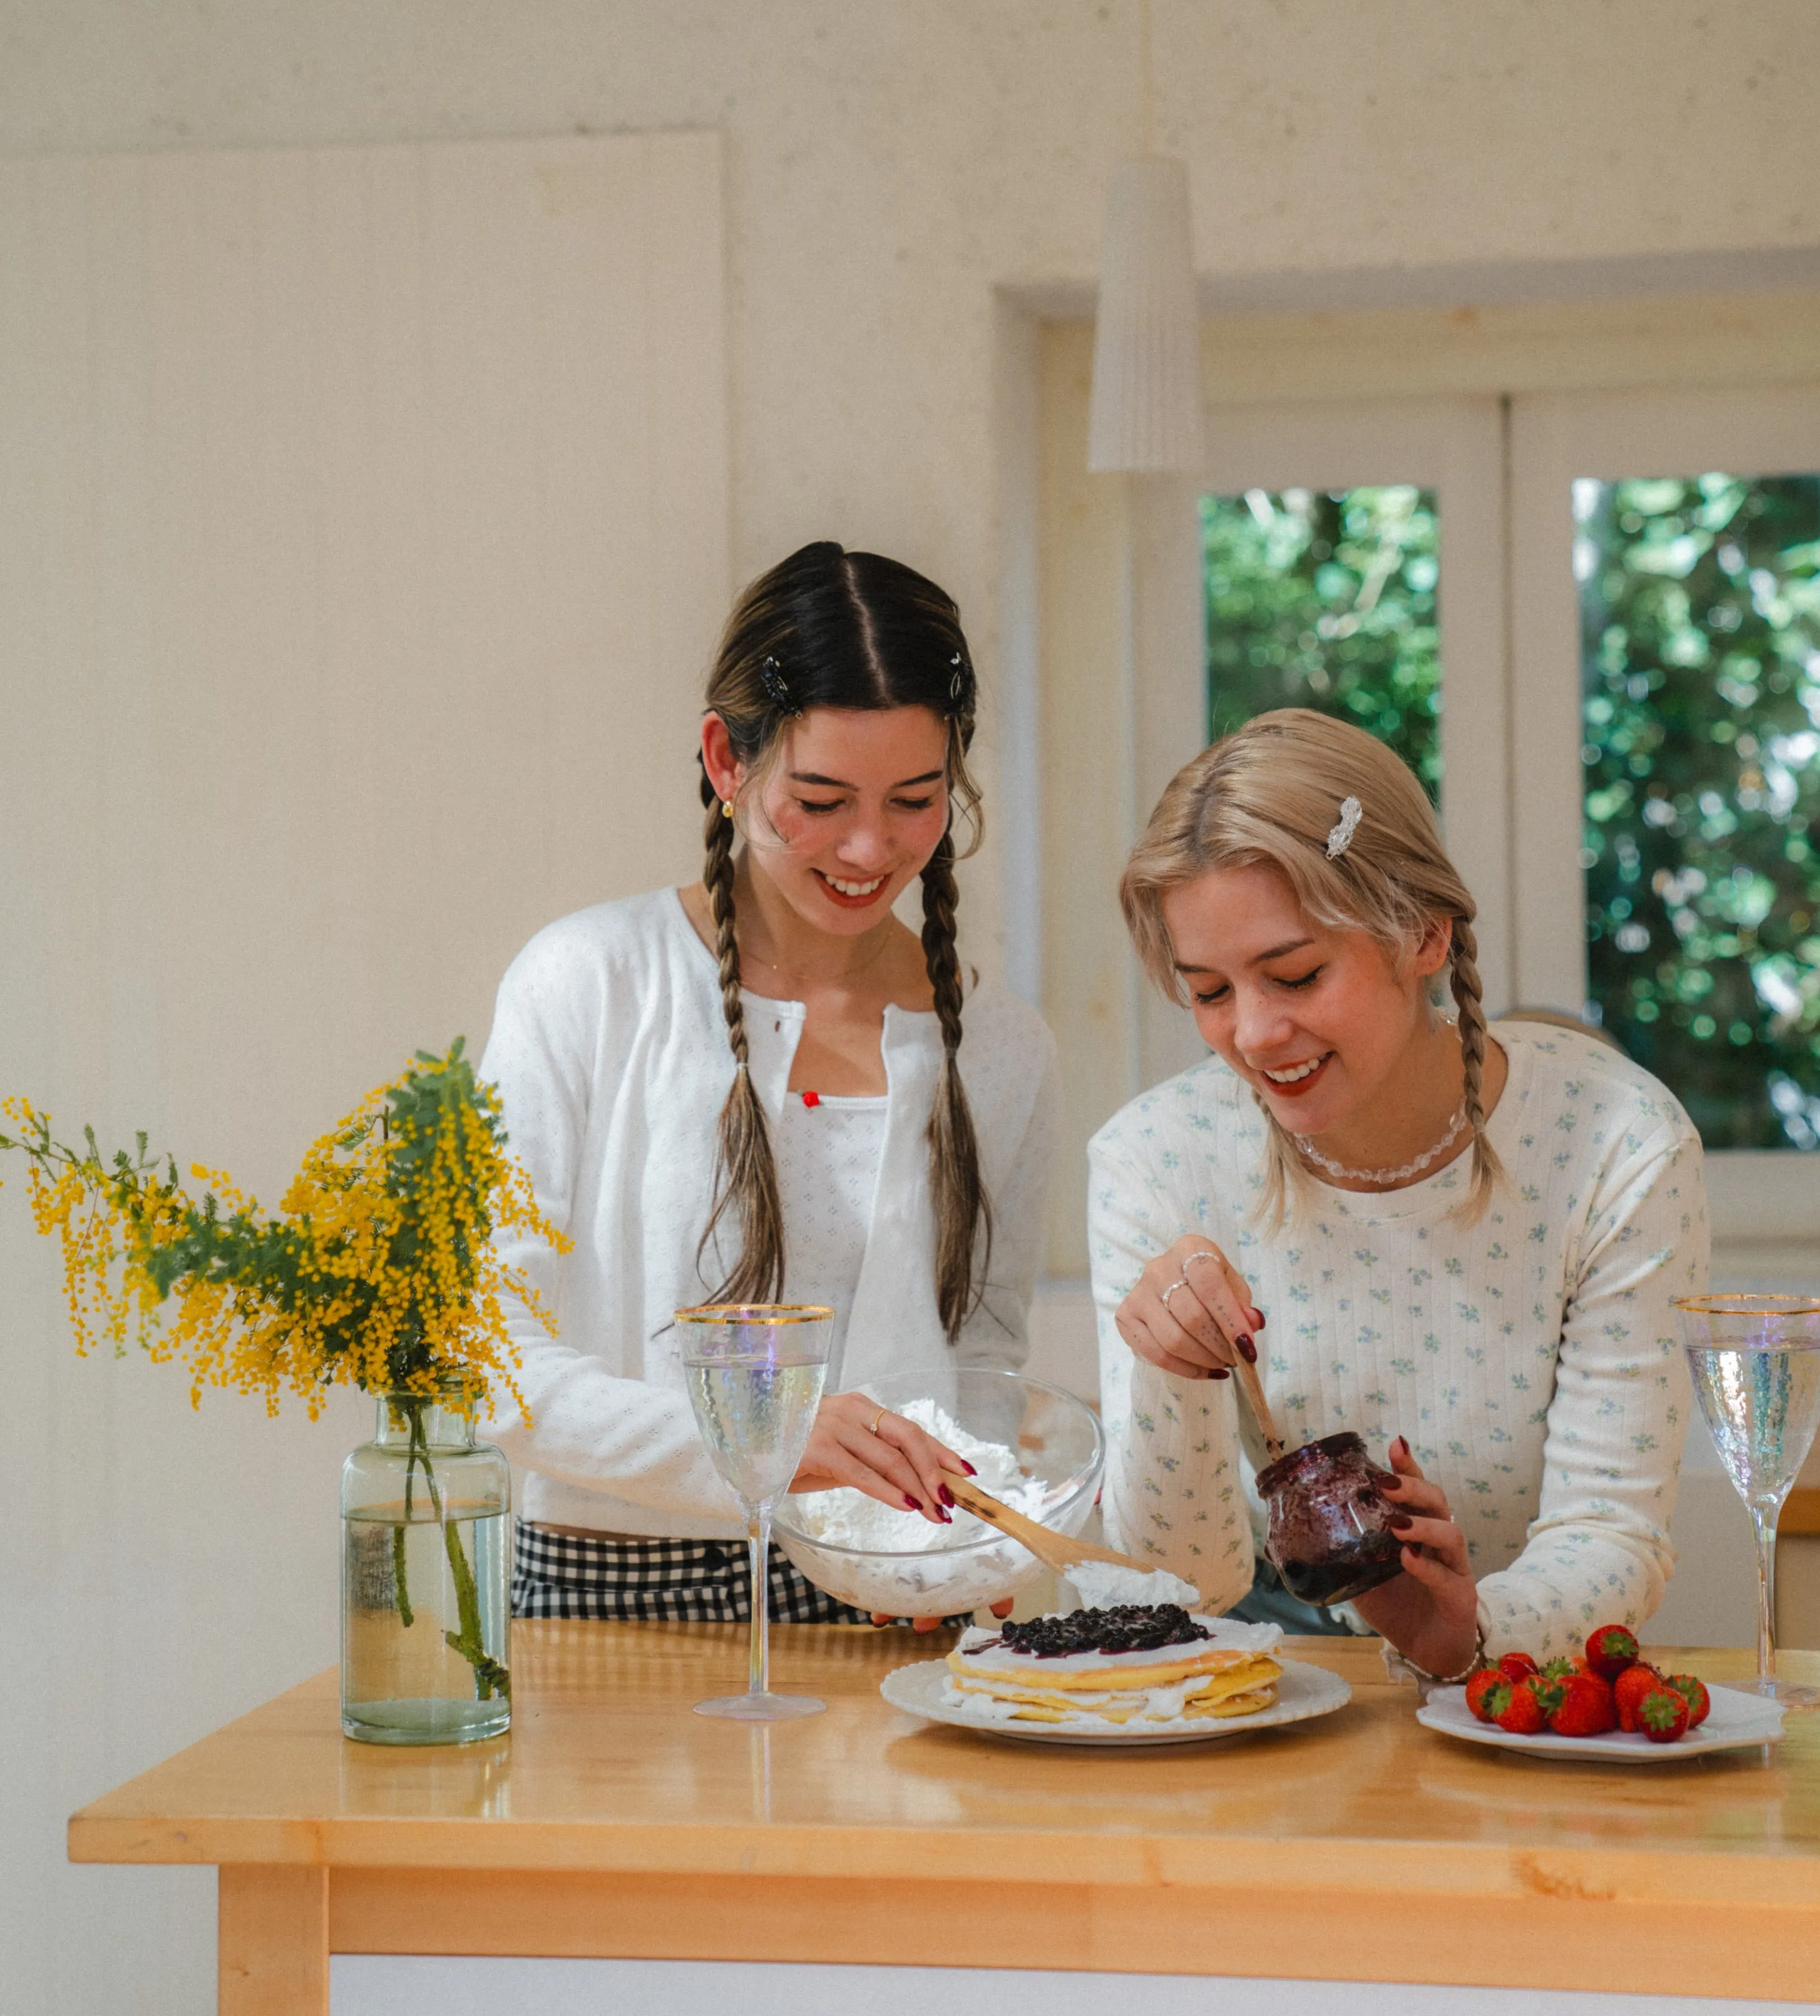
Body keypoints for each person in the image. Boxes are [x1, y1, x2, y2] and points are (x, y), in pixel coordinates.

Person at [479, 541, 1058, 1628]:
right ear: (724, 757)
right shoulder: (589, 982)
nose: (869, 845)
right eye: (822, 797)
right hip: (611, 1580)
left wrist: (960, 1533)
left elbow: (982, 1350)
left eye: (915, 799)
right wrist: (769, 1443)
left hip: (894, 1593)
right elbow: (486, 1345)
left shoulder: (1002, 1045)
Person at [1089, 709, 1708, 1674]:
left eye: (1293, 974)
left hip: (1522, 1694)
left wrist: (1462, 1629)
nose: (1252, 1034)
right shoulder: (1155, 1159)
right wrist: (1170, 1374)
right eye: (1209, 993)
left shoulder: (1616, 1143)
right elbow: (1177, 1582)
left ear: (1423, 934)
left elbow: (1612, 1532)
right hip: (1253, 1694)